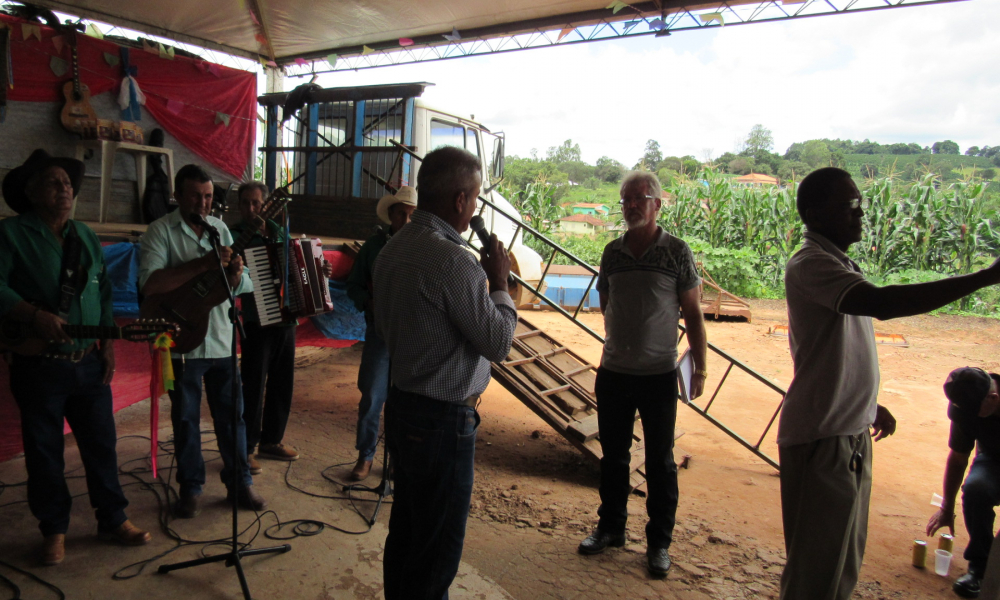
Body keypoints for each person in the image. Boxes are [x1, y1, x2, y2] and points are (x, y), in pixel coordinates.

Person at [778, 166, 1000, 600]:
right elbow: (882, 304)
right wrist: (985, 277)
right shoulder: (811, 264)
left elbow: (838, 348)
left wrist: (865, 404)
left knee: (841, 568)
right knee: (815, 575)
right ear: (815, 214)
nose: (861, 213)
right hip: (823, 437)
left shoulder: (837, 261)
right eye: (850, 205)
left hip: (848, 430)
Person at [372, 146, 516, 600]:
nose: (474, 208)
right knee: (436, 552)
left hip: (403, 407)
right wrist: (499, 283)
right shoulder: (455, 263)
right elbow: (500, 344)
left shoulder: (393, 249)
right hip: (442, 423)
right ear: (459, 202)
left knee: (409, 530)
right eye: (473, 198)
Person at [0, 150, 151, 565]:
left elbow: (101, 294)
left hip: (86, 361)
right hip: (38, 365)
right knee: (44, 452)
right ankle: (54, 530)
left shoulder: (84, 235)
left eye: (68, 183)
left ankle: (113, 518)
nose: (65, 188)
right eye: (53, 182)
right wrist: (32, 314)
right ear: (31, 193)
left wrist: (108, 346)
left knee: (102, 445)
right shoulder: (11, 234)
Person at [576, 171, 708, 577]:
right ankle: (611, 528)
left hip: (657, 375)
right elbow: (606, 302)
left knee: (660, 462)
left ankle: (658, 544)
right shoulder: (611, 252)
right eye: (626, 199)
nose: (631, 205)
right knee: (612, 457)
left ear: (657, 205)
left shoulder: (677, 252)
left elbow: (694, 313)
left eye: (640, 198)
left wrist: (700, 365)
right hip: (614, 371)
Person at [138, 164, 265, 518]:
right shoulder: (160, 232)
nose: (203, 203)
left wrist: (237, 276)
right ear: (178, 195)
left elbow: (245, 286)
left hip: (223, 342)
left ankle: (240, 484)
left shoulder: (222, 230)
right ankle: (190, 487)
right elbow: (150, 285)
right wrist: (203, 265)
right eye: (196, 195)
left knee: (232, 418)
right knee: (186, 419)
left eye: (209, 196)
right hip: (182, 342)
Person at [231, 181, 320, 473]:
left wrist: (320, 270)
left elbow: (300, 267)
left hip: (286, 318)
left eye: (256, 203)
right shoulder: (237, 238)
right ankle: (246, 448)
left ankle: (272, 440)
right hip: (257, 320)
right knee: (253, 384)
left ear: (268, 205)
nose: (251, 209)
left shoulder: (281, 233)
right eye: (245, 203)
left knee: (283, 382)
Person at [345, 185, 417, 481]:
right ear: (391, 214)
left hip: (410, 336)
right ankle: (366, 455)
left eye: (412, 214)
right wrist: (368, 301)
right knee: (373, 395)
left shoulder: (422, 246)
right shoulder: (374, 246)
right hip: (379, 331)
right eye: (401, 213)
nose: (407, 219)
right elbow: (353, 286)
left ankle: (395, 459)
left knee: (405, 401)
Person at [928, 367, 1000, 599]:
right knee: (976, 489)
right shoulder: (965, 406)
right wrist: (946, 508)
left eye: (973, 412)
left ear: (993, 398)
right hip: (993, 458)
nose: (967, 417)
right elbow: (958, 458)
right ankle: (980, 568)